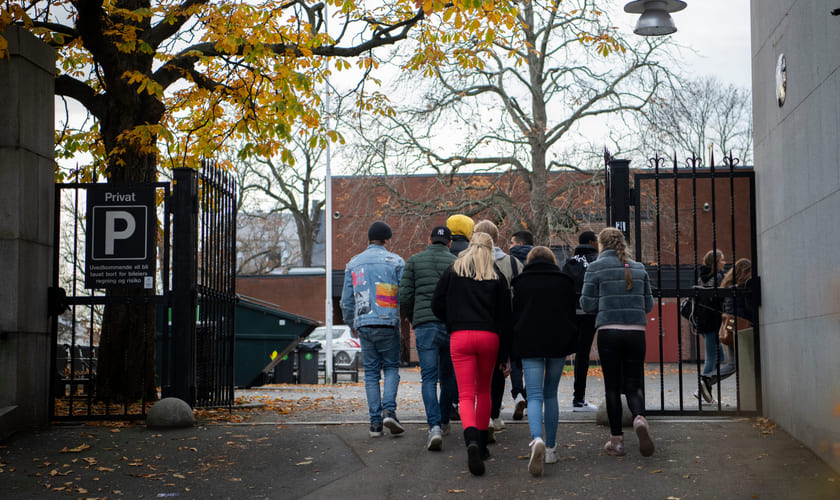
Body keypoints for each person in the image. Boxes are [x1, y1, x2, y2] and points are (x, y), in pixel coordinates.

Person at [432, 232, 512, 476]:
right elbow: (506, 317)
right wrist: (505, 355)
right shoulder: (496, 275)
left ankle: (471, 441)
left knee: (465, 394)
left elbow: (436, 304)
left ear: (469, 246)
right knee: (483, 391)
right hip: (489, 336)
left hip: (460, 336)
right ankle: (482, 443)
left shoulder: (453, 270)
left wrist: (452, 320)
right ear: (490, 249)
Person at [580, 227, 655, 457]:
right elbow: (648, 305)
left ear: (601, 244)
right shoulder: (638, 268)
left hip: (609, 332)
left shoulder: (595, 267)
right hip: (636, 333)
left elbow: (587, 304)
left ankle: (617, 442)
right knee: (633, 383)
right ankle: (639, 418)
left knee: (612, 386)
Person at [511, 246, 578, 477]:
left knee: (534, 395)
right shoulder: (564, 281)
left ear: (529, 261)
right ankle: (550, 449)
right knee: (550, 394)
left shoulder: (520, 282)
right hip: (557, 343)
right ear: (552, 260)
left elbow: (515, 314)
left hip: (529, 342)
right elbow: (571, 313)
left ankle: (536, 440)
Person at [340, 221, 406, 438]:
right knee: (391, 368)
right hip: (388, 323)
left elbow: (346, 301)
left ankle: (375, 424)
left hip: (364, 324)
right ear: (386, 239)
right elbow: (404, 294)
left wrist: (352, 323)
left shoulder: (353, 264)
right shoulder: (396, 262)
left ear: (369, 239)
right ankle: (389, 411)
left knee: (370, 373)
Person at [399, 225, 458, 451]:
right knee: (449, 376)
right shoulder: (456, 262)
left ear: (429, 239)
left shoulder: (414, 261)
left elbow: (405, 295)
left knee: (429, 378)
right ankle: (443, 421)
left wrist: (415, 317)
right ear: (450, 243)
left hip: (425, 325)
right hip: (450, 326)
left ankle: (433, 427)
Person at [473, 220, 525, 441]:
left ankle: (480, 416)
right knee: (499, 370)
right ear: (495, 237)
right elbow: (521, 295)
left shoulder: (465, 262)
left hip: (475, 322)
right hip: (505, 323)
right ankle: (495, 414)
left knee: (477, 373)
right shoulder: (513, 263)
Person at [561, 230, 600, 412]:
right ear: (592, 242)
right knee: (583, 355)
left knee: (562, 352)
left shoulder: (570, 262)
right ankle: (579, 398)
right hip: (590, 313)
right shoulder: (596, 261)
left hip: (571, 313)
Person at [704, 258, 753, 396]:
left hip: (732, 328)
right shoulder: (741, 290)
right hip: (742, 329)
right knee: (736, 364)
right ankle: (707, 379)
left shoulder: (730, 288)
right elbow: (748, 310)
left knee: (734, 363)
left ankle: (708, 380)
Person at [693, 249, 726, 403]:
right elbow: (722, 299)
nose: (724, 262)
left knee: (720, 356)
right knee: (712, 357)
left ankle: (704, 389)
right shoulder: (718, 277)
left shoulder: (702, 277)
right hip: (714, 321)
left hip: (703, 320)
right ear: (715, 262)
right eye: (722, 260)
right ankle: (703, 386)